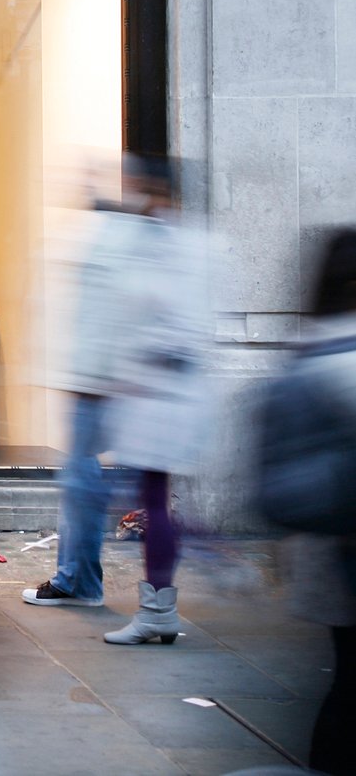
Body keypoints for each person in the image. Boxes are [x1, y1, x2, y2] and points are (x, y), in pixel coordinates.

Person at [20, 154, 212, 645]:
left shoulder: (157, 243)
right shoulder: (159, 238)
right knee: (138, 491)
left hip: (142, 391)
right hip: (140, 388)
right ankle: (153, 606)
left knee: (128, 490)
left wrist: (110, 375)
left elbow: (151, 319)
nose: (129, 191)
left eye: (135, 184)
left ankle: (188, 576)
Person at [268, 229, 356, 773]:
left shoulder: (312, 350)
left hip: (323, 553)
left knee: (346, 679)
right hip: (340, 552)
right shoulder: (341, 360)